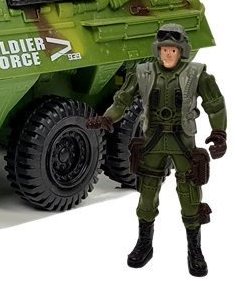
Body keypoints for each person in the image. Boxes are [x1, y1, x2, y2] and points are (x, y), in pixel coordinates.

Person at [87, 23, 226, 277]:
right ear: (158, 50)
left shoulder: (197, 74)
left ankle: (195, 250)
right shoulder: (143, 73)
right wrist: (108, 118)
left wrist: (219, 133)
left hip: (183, 141)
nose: (168, 54)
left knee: (190, 197)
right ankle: (144, 244)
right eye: (164, 49)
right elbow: (122, 100)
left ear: (182, 50)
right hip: (152, 140)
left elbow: (215, 104)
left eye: (173, 49)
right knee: (147, 194)